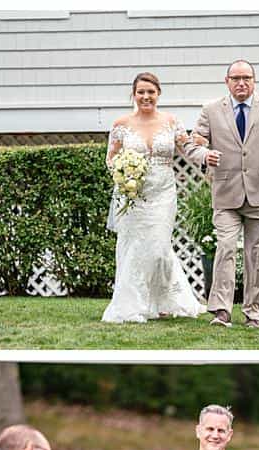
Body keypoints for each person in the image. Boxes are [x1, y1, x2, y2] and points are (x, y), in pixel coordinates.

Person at [181, 60, 259, 329]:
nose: (241, 83)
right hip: (226, 192)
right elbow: (191, 143)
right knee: (225, 249)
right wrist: (205, 155)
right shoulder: (210, 110)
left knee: (257, 256)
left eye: (247, 78)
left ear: (254, 80)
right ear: (227, 81)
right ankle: (221, 311)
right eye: (236, 78)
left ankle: (253, 313)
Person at [100, 72, 204, 324]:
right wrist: (122, 173)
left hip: (163, 194)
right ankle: (134, 304)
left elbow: (187, 148)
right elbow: (111, 158)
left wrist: (205, 154)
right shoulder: (121, 125)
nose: (146, 96)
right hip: (132, 195)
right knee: (134, 248)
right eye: (141, 92)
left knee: (157, 248)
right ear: (134, 95)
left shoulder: (171, 121)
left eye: (151, 92)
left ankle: (165, 299)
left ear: (158, 93)